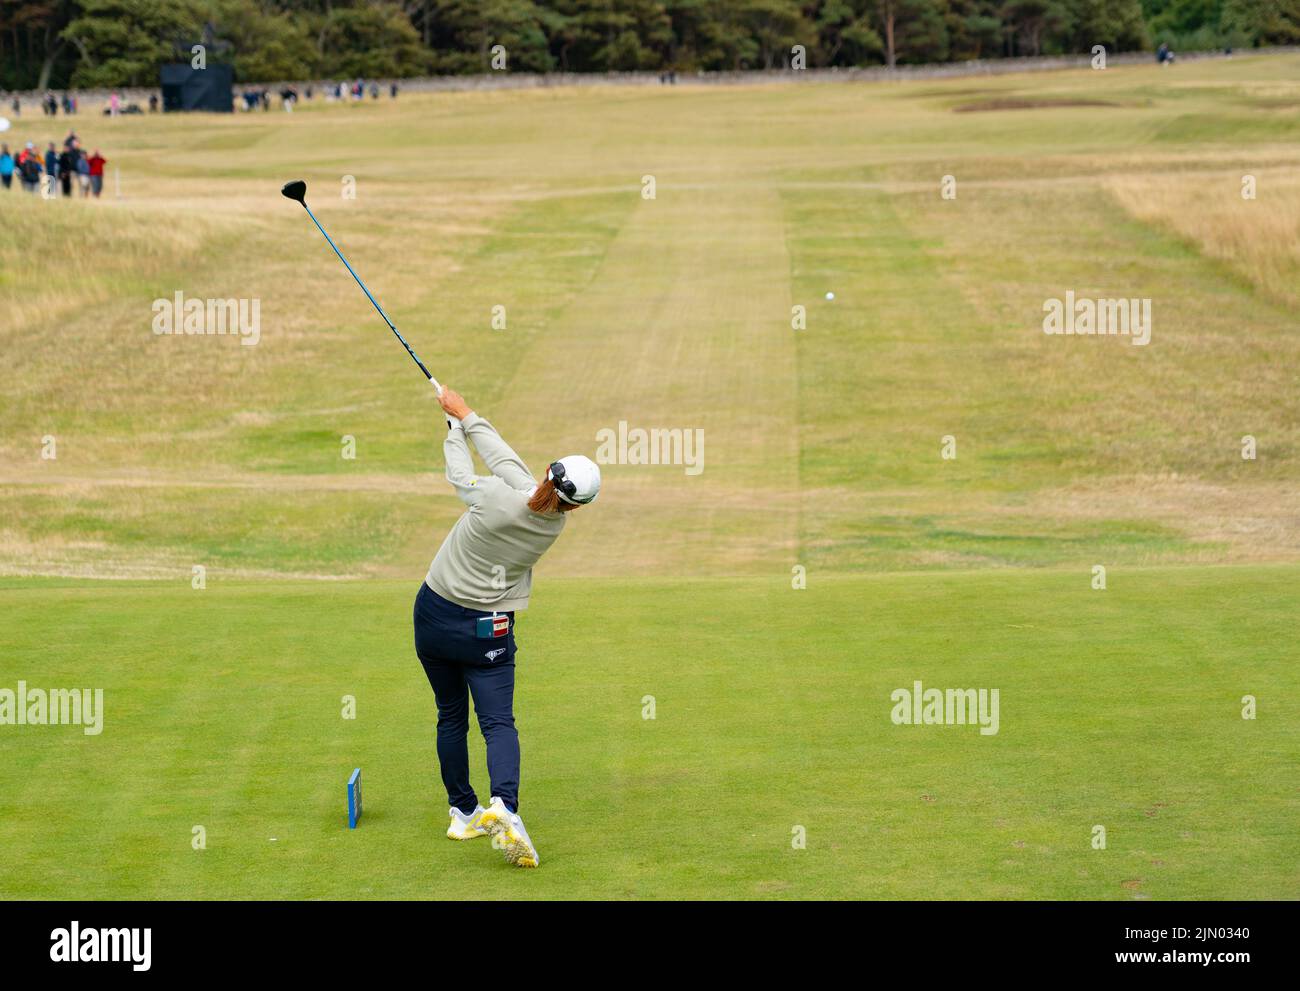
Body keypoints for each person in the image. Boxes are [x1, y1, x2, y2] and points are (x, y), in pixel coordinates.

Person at [414, 387, 601, 868]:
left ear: (547, 473)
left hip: (434, 616)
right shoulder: (553, 523)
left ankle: (461, 811)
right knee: (497, 722)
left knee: (450, 715)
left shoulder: (498, 497)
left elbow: (460, 474)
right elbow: (510, 465)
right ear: (577, 505)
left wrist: (455, 428)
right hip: (488, 632)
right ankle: (504, 805)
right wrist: (470, 415)